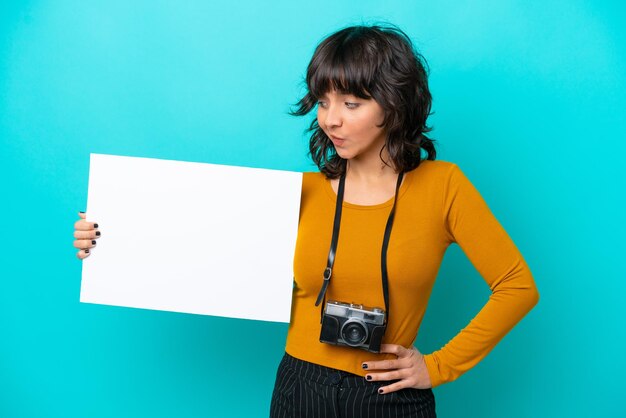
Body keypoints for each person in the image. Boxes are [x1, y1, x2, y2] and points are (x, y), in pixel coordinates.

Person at [73, 23, 540, 417]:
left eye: (351, 104)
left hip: (391, 396)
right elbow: (191, 245)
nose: (330, 120)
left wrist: (438, 366)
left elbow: (518, 285)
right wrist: (106, 239)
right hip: (300, 387)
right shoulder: (298, 193)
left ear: (394, 105)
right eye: (322, 101)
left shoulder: (444, 186)